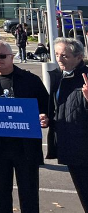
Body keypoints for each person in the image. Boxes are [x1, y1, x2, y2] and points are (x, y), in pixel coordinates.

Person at [0, 40, 49, 213]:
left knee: (29, 197)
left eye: (2, 55)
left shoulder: (31, 80)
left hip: (25, 149)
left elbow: (46, 107)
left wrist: (45, 118)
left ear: (12, 57)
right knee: (2, 198)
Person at [46, 38, 88, 210]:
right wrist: (46, 118)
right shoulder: (57, 76)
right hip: (69, 144)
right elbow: (56, 107)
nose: (59, 59)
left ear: (79, 57)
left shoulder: (85, 77)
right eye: (57, 54)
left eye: (65, 55)